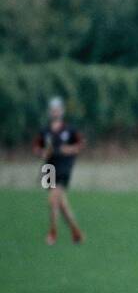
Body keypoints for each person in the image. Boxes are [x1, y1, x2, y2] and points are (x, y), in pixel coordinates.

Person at [32, 97, 85, 245]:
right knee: (61, 205)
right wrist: (41, 153)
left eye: (57, 109)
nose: (55, 112)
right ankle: (76, 232)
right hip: (49, 167)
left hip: (64, 167)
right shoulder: (45, 131)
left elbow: (81, 144)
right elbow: (36, 147)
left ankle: (52, 233)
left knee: (52, 200)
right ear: (50, 112)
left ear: (62, 111)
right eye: (52, 110)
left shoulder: (70, 130)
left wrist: (69, 149)